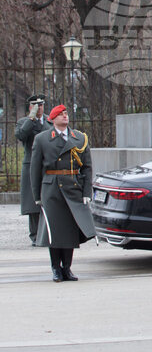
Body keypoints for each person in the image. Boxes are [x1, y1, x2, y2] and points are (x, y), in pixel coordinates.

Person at [29, 104, 96, 282]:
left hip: (72, 188)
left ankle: (67, 268)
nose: (65, 116)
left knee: (70, 231)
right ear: (52, 119)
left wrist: (86, 191)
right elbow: (35, 170)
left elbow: (87, 167)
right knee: (55, 232)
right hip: (51, 189)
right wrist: (37, 196)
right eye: (60, 114)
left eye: (66, 114)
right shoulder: (42, 139)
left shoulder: (79, 138)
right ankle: (55, 269)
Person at [16, 94, 49, 245]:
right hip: (31, 165)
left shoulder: (50, 120)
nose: (39, 108)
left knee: (49, 200)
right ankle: (35, 235)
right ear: (30, 107)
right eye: (36, 105)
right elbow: (21, 136)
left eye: (41, 105)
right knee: (33, 202)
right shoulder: (24, 122)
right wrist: (31, 119)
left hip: (47, 166)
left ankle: (48, 233)